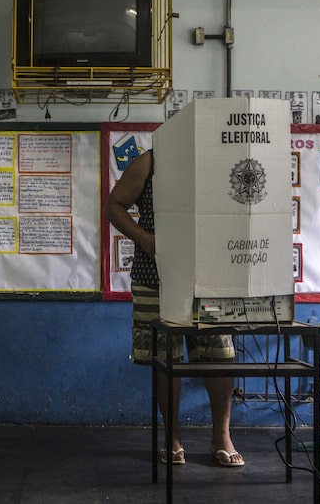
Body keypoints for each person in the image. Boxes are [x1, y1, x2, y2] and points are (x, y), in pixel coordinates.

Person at [104, 148, 244, 467]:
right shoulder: (149, 163)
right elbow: (114, 207)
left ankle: (221, 436)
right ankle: (172, 436)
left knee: (220, 357)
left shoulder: (220, 162)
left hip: (210, 277)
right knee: (166, 359)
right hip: (156, 277)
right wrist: (145, 239)